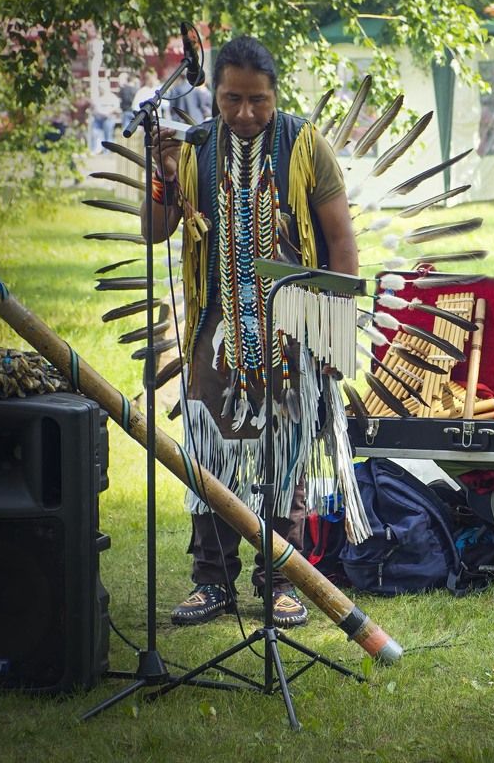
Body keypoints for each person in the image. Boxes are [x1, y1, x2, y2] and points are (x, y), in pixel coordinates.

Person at [144, 36, 358, 628]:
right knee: (208, 450)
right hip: (217, 327)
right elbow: (155, 232)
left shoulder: (304, 144)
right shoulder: (195, 149)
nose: (244, 112)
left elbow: (340, 240)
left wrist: (335, 331)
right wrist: (163, 176)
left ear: (275, 94)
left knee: (284, 456)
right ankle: (212, 580)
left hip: (294, 324)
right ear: (214, 94)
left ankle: (280, 582)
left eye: (257, 100)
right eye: (231, 99)